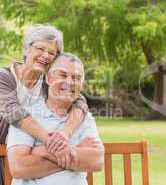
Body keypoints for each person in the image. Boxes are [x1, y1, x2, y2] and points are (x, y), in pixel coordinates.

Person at [0, 24, 89, 185]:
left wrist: (65, 133)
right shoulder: (3, 76)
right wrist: (52, 141)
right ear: (27, 49)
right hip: (2, 153)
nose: (46, 55)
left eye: (52, 53)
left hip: (37, 156)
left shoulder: (49, 82)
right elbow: (13, 112)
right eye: (41, 48)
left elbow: (80, 101)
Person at [7, 53, 104, 185]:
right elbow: (19, 168)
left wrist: (44, 151)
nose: (69, 82)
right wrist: (75, 153)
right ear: (49, 78)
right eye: (63, 75)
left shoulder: (85, 118)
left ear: (81, 85)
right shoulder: (27, 115)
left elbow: (96, 161)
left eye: (76, 78)